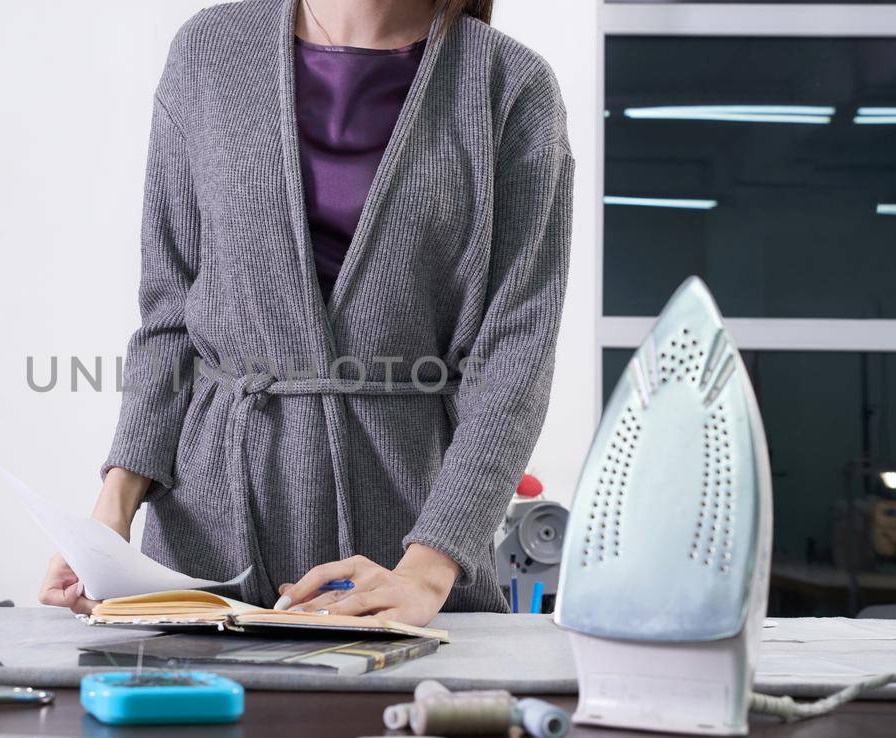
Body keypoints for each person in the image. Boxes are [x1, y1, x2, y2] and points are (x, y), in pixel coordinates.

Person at [41, 0, 572, 627]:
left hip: (407, 553)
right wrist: (112, 514)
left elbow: (516, 357)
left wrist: (427, 570)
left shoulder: (509, 88)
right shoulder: (208, 52)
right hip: (205, 545)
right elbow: (169, 316)